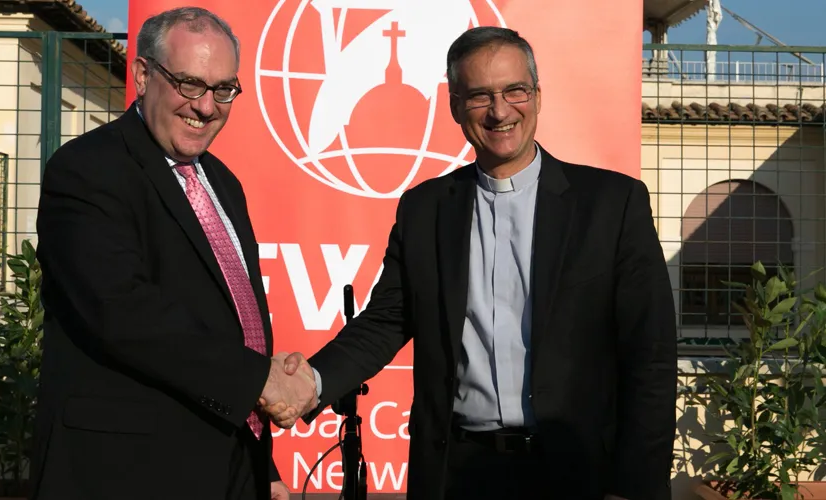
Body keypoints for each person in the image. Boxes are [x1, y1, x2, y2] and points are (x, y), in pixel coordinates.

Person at [261, 26, 677, 499]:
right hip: (457, 475)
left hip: (578, 474)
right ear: (455, 106)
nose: (500, 111)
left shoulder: (611, 205)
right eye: (480, 96)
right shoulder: (425, 210)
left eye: (514, 91)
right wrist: (313, 382)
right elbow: (386, 321)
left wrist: (636, 486)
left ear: (537, 96)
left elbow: (651, 356)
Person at [30, 7, 316, 500]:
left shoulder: (223, 183)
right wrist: (259, 381)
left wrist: (259, 463)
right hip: (125, 474)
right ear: (143, 76)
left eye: (223, 89)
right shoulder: (87, 169)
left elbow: (233, 325)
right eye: (189, 84)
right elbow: (121, 310)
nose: (205, 106)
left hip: (229, 465)